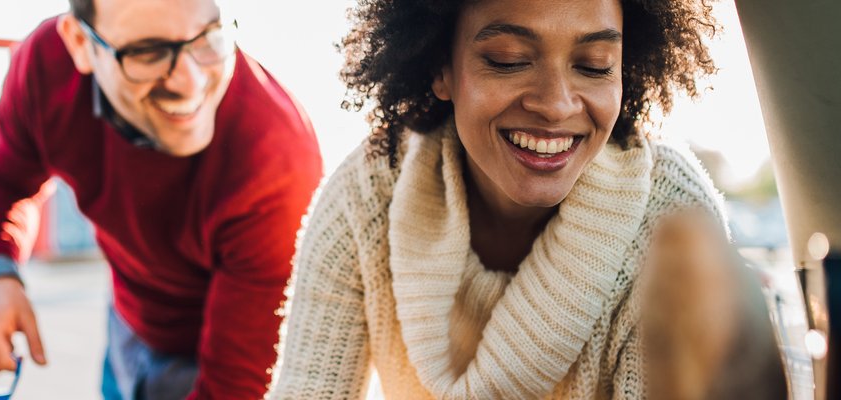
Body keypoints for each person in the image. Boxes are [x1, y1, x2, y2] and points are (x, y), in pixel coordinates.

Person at [269, 0, 728, 398]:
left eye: (593, 64)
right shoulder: (370, 191)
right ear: (440, 68)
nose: (556, 104)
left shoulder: (674, 224)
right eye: (508, 60)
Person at [0, 0, 323, 398]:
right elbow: (2, 180)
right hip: (126, 326)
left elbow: (235, 386)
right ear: (80, 43)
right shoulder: (47, 68)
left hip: (221, 357)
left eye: (209, 37)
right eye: (148, 52)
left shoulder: (276, 160)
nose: (190, 82)